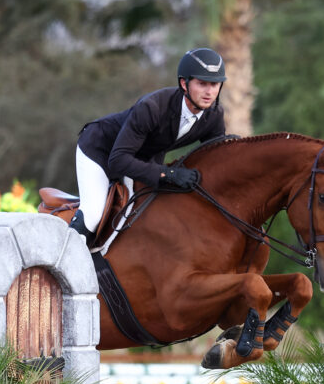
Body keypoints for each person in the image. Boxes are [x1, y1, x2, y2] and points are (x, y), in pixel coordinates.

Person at [69, 47, 228, 244]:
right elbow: (118, 160)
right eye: (202, 83)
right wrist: (169, 174)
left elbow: (218, 159)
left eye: (214, 84)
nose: (209, 92)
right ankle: (60, 264)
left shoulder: (214, 116)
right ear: (184, 84)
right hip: (100, 149)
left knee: (152, 213)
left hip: (141, 157)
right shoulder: (152, 107)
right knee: (94, 214)